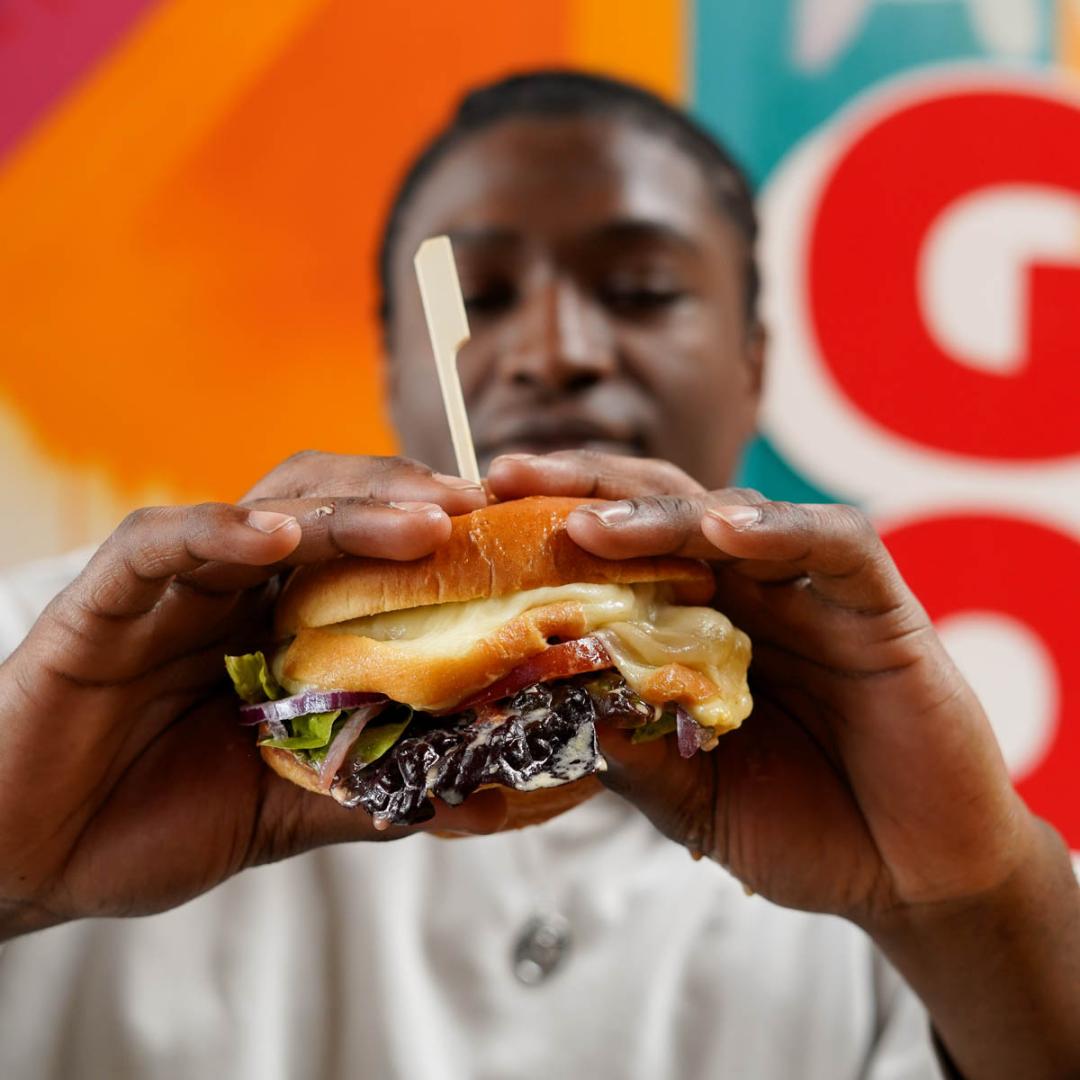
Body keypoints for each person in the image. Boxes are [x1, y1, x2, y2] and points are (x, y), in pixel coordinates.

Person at [0, 71, 1076, 1080]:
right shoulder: (82, 664)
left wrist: (976, 901)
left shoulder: (882, 759)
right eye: (483, 293)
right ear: (392, 364)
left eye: (644, 290)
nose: (555, 347)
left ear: (754, 367)